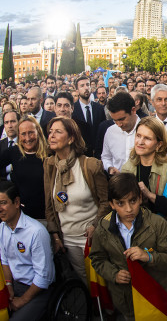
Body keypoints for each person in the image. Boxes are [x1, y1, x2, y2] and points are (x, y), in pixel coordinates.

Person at [89, 173, 167, 319]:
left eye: (133, 201)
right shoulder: (103, 228)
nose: (129, 209)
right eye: (120, 203)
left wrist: (149, 257)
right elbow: (97, 259)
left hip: (156, 297)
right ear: (111, 204)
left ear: (140, 198)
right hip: (126, 300)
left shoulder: (157, 224)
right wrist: (114, 274)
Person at [44, 117, 110, 282]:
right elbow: (49, 204)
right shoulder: (50, 165)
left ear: (71, 138)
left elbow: (106, 202)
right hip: (67, 239)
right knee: (83, 281)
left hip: (91, 239)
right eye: (50, 132)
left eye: (58, 132)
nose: (51, 135)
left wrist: (95, 225)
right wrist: (55, 236)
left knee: (100, 283)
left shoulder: (91, 166)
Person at [0, 181, 55, 320]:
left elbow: (43, 277)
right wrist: (8, 285)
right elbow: (5, 260)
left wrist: (22, 301)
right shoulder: (1, 228)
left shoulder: (36, 232)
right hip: (15, 284)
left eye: (3, 203)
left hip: (36, 290)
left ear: (17, 202)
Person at [0, 116, 48, 220]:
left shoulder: (48, 154)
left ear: (38, 132)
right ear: (19, 135)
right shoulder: (14, 152)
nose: (27, 138)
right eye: (23, 134)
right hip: (22, 215)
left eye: (31, 132)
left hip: (44, 215)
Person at [120, 116, 167, 218]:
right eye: (138, 136)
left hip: (161, 230)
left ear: (159, 144)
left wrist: (150, 195)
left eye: (147, 138)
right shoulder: (127, 167)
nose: (140, 142)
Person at [101, 91, 141, 175]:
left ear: (133, 110)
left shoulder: (148, 130)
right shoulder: (110, 132)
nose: (119, 124)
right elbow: (105, 157)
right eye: (115, 120)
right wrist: (109, 167)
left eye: (121, 119)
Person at [71, 76, 106, 157]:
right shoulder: (73, 109)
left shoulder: (99, 108)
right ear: (77, 90)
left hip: (97, 154)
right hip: (79, 154)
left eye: (87, 85)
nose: (86, 88)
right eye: (82, 86)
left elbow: (102, 131)